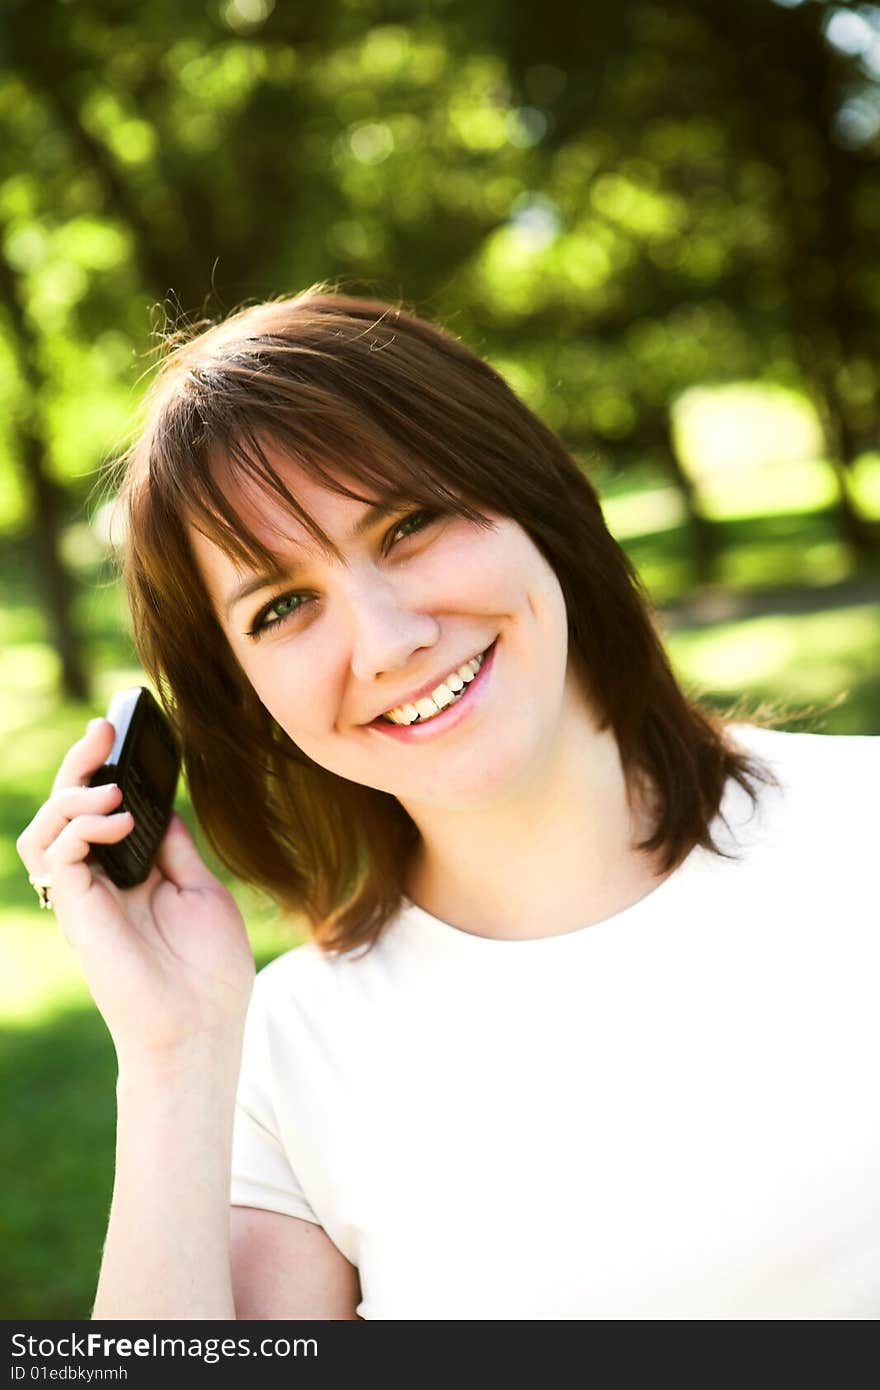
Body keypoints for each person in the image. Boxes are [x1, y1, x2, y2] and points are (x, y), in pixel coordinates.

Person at [17, 287, 879, 1320]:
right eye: (283, 605)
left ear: (530, 495)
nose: (385, 642)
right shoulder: (282, 1058)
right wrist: (173, 1059)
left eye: (408, 524)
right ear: (243, 693)